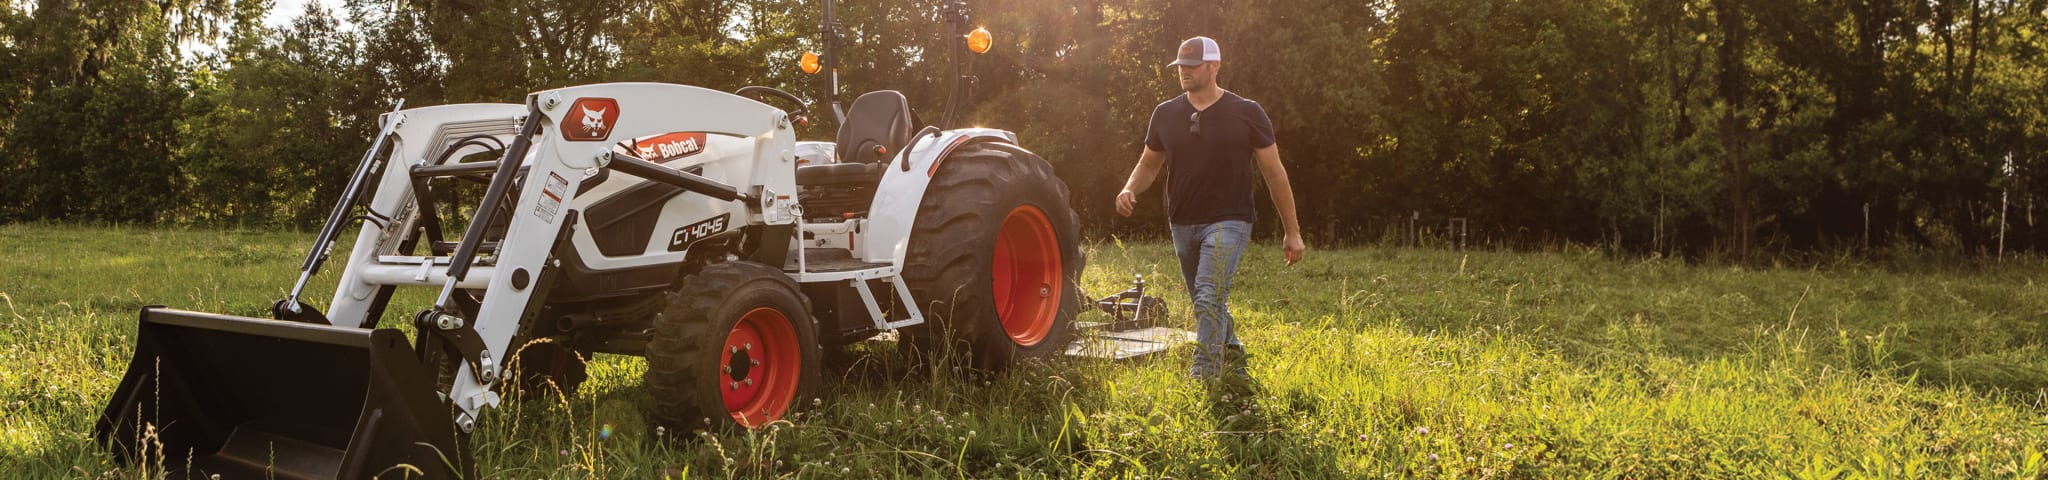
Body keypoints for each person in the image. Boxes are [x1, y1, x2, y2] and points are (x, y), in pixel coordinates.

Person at [1116, 36, 1305, 378]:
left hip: (1230, 220)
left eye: (1192, 66)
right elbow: (1148, 164)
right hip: (1182, 221)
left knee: (1207, 295)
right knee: (1208, 301)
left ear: (1214, 66)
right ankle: (1233, 354)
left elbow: (1275, 173)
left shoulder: (1247, 112)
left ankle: (1204, 374)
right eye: (1180, 67)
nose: (1184, 72)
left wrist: (1292, 231)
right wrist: (1130, 188)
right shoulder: (1165, 113)